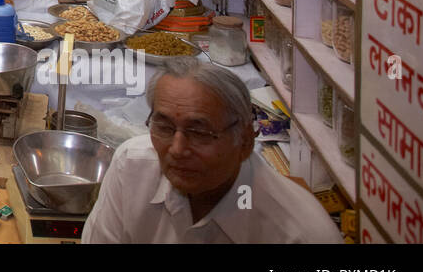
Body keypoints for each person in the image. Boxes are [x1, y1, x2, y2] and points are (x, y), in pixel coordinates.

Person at [83, 58, 341, 243]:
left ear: (245, 142)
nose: (177, 149)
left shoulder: (301, 233)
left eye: (200, 133)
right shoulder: (132, 167)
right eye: (164, 126)